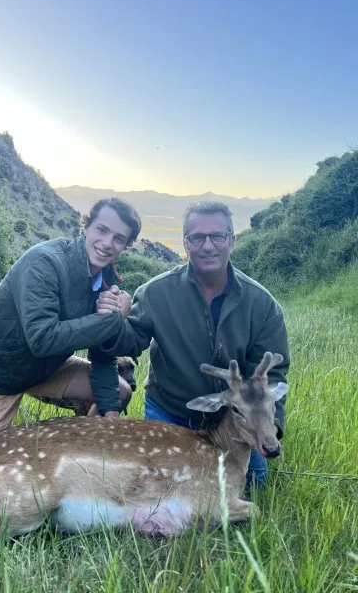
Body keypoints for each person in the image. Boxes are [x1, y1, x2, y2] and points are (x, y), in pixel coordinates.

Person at [96, 201, 290, 489]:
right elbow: (130, 342)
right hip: (170, 412)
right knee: (161, 491)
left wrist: (268, 427)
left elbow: (272, 376)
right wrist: (113, 320)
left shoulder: (262, 305)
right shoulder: (155, 293)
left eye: (217, 236)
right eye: (197, 238)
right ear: (186, 243)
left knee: (252, 487)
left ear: (232, 241)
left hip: (234, 422)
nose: (207, 246)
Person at [0, 197, 139, 443]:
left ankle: (77, 455)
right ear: (86, 226)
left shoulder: (105, 280)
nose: (107, 243)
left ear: (125, 245)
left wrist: (110, 409)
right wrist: (115, 319)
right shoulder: (44, 262)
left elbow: (102, 353)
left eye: (118, 238)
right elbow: (42, 339)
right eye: (102, 230)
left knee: (119, 392)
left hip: (44, 368)